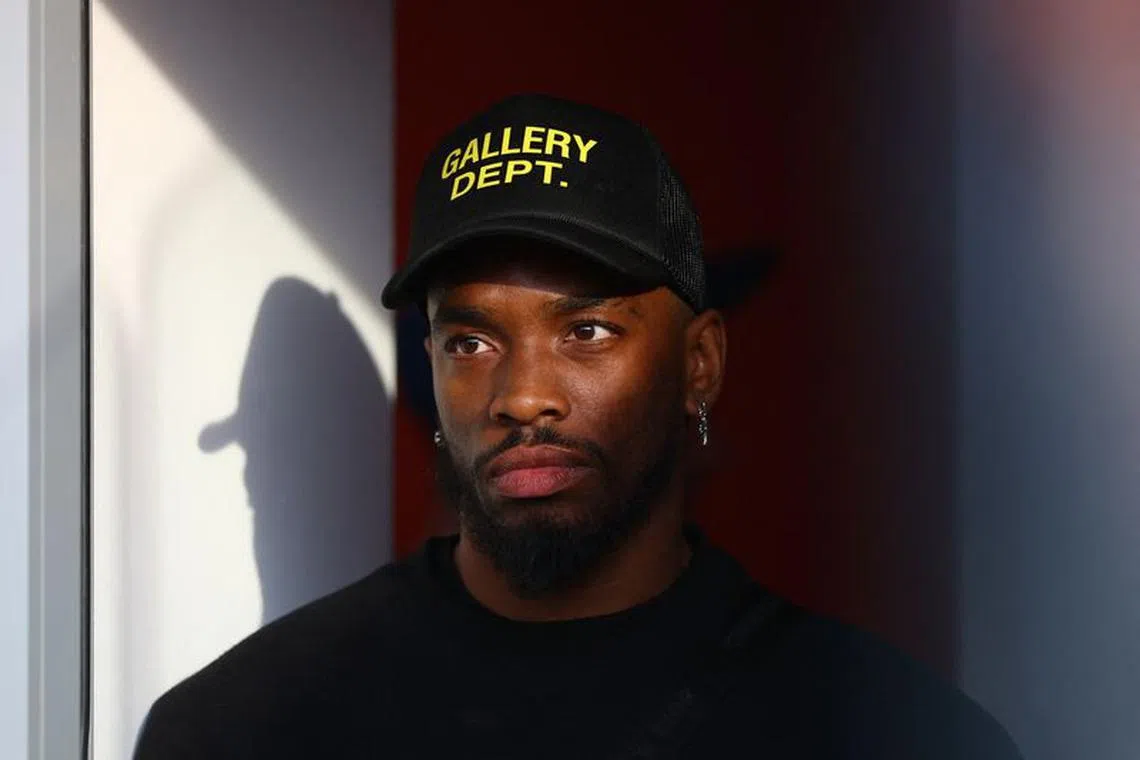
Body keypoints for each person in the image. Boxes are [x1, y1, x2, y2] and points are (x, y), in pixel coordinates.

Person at [135, 94, 1023, 759]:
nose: (522, 397)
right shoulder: (239, 729)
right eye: (472, 340)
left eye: (586, 331)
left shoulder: (894, 733)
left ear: (699, 364)